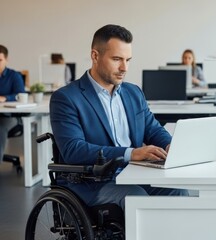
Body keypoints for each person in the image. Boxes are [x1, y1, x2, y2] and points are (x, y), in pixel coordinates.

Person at [50, 24, 188, 210]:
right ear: (95, 56)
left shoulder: (133, 93)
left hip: (135, 174)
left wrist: (170, 145)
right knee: (137, 200)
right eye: (116, 59)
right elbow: (74, 150)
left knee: (177, 190)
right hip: (92, 182)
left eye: (128, 60)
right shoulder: (67, 97)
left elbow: (152, 128)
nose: (124, 67)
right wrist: (131, 153)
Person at [0, 45, 25, 163]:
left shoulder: (14, 76)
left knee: (0, 129)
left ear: (6, 59)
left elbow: (21, 95)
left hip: (9, 117)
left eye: (0, 60)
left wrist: (5, 98)